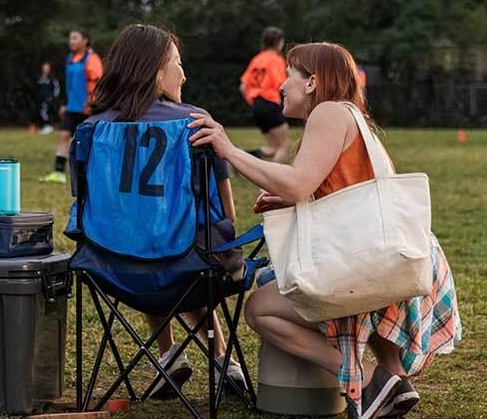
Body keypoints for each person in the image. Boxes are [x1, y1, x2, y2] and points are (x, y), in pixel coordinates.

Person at [189, 42, 461, 419]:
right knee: (360, 299)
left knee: (259, 309)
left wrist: (229, 150)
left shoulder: (328, 112)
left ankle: (368, 380)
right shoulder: (350, 116)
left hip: (367, 262)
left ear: (312, 82)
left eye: (289, 75)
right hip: (392, 258)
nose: (281, 85)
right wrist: (292, 200)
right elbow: (335, 190)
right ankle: (393, 384)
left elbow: (298, 182)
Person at [83, 23, 246, 398]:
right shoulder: (196, 123)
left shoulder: (92, 129)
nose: (184, 75)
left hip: (114, 268)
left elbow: (92, 209)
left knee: (144, 234)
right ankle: (223, 362)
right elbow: (227, 212)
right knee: (183, 242)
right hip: (192, 268)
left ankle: (170, 355)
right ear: (156, 71)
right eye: (178, 63)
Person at [40, 28, 103, 183]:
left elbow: (99, 83)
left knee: (88, 142)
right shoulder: (70, 58)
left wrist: (94, 101)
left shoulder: (92, 58)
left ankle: (92, 174)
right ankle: (58, 172)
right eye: (70, 38)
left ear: (85, 40)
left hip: (87, 109)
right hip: (71, 107)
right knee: (63, 136)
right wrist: (64, 103)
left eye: (75, 38)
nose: (71, 41)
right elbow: (67, 85)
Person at [239, 27, 290, 163]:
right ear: (278, 42)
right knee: (284, 145)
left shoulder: (257, 59)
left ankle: (242, 157)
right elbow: (282, 84)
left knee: (274, 147)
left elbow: (243, 87)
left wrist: (255, 102)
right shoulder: (276, 60)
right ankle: (274, 177)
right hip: (270, 103)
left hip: (257, 105)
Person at [32, 61, 60, 134]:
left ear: (49, 69)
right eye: (44, 68)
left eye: (47, 68)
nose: (45, 70)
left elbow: (56, 88)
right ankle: (43, 126)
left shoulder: (52, 79)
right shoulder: (40, 78)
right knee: (40, 112)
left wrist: (52, 97)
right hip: (40, 100)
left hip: (49, 100)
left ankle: (49, 126)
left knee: (45, 112)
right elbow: (36, 88)